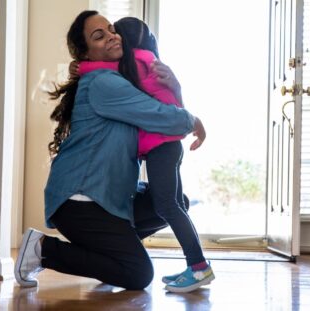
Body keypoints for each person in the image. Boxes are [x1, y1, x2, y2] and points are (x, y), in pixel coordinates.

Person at [13, 10, 206, 291]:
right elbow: (161, 115)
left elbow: (159, 105)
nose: (112, 37)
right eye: (98, 36)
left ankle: (110, 254)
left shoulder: (118, 78)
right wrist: (194, 120)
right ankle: (42, 249)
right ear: (87, 54)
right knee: (138, 274)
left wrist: (175, 86)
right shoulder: (105, 83)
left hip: (108, 196)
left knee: (175, 203)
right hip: (81, 200)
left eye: (112, 30)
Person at [70, 17, 213, 293]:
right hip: (168, 145)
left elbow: (104, 70)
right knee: (175, 205)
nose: (113, 39)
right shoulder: (149, 59)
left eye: (115, 33)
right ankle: (196, 265)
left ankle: (198, 267)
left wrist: (80, 66)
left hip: (161, 147)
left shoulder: (135, 61)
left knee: (166, 206)